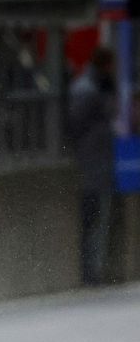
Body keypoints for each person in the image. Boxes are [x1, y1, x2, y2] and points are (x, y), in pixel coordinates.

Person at [67, 46, 118, 285]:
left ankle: (94, 271)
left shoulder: (97, 87)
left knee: (97, 220)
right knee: (92, 221)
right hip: (91, 165)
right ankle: (90, 273)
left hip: (97, 165)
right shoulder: (87, 90)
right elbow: (76, 125)